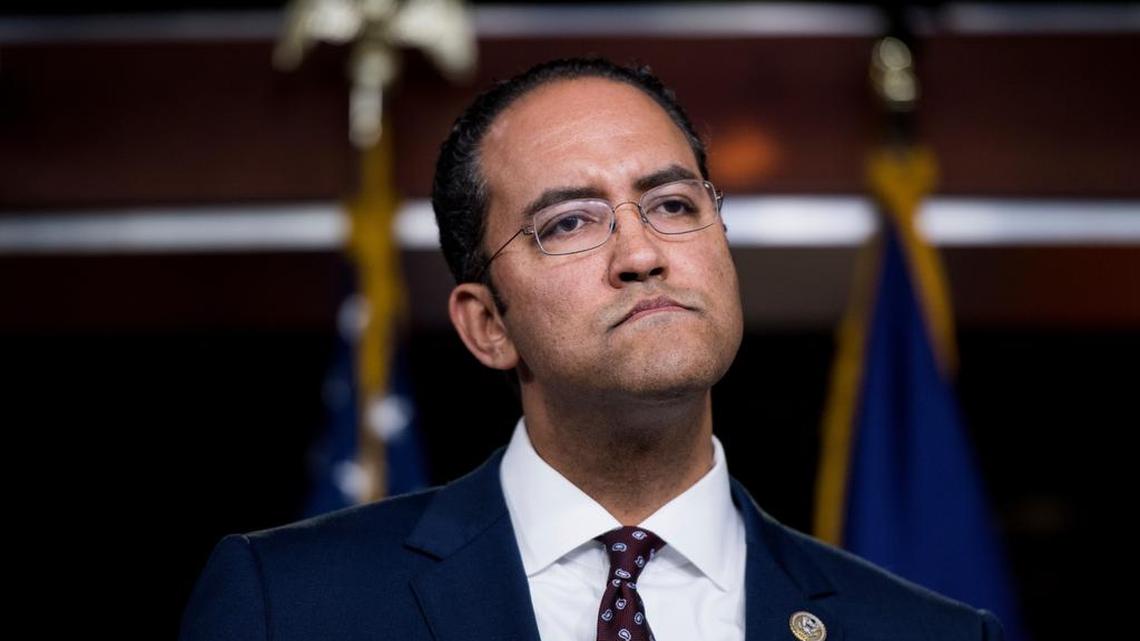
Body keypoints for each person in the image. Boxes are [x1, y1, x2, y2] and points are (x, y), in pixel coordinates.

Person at [180, 57, 1004, 641]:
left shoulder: (930, 632)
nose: (642, 252)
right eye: (569, 221)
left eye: (675, 204)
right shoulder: (286, 608)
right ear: (485, 325)